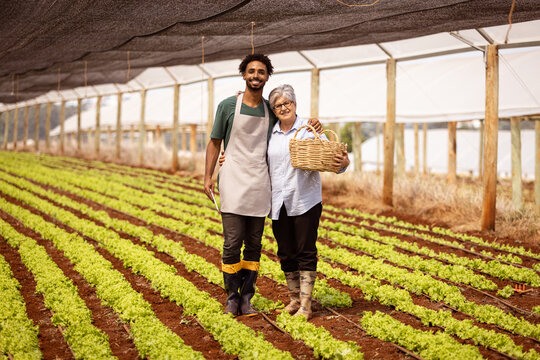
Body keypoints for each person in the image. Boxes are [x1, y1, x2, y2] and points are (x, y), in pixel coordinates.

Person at [204, 54, 321, 317]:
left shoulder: (271, 109)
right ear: (244, 75)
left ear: (267, 76)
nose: (256, 76)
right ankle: (232, 297)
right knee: (232, 242)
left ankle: (247, 298)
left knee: (255, 244)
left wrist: (314, 122)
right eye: (251, 71)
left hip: (260, 182)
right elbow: (215, 141)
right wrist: (208, 176)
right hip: (233, 180)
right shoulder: (227, 106)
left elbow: (293, 121)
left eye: (261, 72)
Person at [220, 84, 350, 319]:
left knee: (305, 251)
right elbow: (250, 150)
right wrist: (226, 159)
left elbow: (332, 160)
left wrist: (344, 163)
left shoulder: (308, 129)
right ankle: (293, 299)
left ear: (294, 104)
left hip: (304, 201)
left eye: (286, 103)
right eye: (278, 105)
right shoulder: (271, 132)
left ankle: (306, 305)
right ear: (274, 109)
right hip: (278, 202)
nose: (283, 108)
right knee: (286, 252)